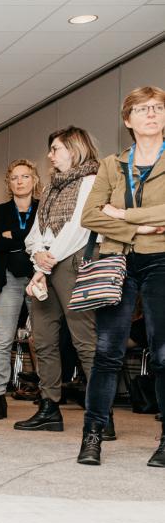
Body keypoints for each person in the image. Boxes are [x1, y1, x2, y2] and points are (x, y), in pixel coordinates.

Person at [78, 86, 165, 467]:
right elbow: (90, 215)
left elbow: (112, 214)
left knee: (163, 353)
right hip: (118, 262)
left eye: (159, 108)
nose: (152, 114)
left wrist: (124, 216)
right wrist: (141, 229)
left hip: (161, 261)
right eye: (143, 109)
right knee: (107, 353)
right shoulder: (113, 164)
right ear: (128, 120)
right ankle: (93, 434)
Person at [16, 127, 101, 433]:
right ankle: (50, 407)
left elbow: (79, 227)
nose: (50, 155)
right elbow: (36, 233)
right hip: (49, 265)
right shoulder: (52, 186)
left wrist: (43, 266)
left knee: (84, 341)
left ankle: (101, 417)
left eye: (55, 148)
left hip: (73, 263)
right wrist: (37, 252)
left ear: (74, 149)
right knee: (44, 340)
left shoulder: (91, 181)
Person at [0, 160, 39, 419]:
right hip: (6, 279)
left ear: (34, 180)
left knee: (42, 340)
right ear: (9, 183)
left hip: (38, 278)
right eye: (14, 177)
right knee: (2, 340)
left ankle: (46, 395)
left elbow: (47, 240)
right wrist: (26, 237)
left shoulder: (43, 208)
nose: (19, 181)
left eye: (25, 176)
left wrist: (13, 235)